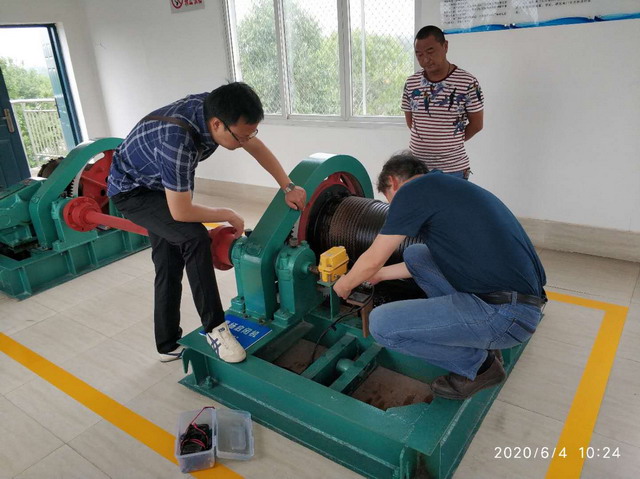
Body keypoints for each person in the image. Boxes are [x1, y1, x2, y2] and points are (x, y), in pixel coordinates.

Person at [107, 82, 306, 363]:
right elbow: (181, 212)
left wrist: (288, 186)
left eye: (251, 132)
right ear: (217, 125)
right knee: (194, 237)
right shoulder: (177, 142)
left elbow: (253, 144)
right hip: (132, 191)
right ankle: (215, 328)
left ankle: (167, 344)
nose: (246, 141)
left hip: (158, 183)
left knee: (168, 261)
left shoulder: (215, 108)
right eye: (241, 136)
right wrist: (228, 213)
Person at [333, 152, 546, 400]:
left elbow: (372, 259)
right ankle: (479, 339)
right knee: (416, 254)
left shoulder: (410, 192)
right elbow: (384, 266)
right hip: (520, 304)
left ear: (393, 182)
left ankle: (481, 367)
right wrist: (380, 275)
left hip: (504, 317)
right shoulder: (446, 186)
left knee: (381, 325)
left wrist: (345, 284)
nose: (393, 209)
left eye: (390, 200)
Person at [403, 25, 484, 179]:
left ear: (445, 46)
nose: (425, 60)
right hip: (417, 168)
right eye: (419, 55)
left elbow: (477, 124)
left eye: (430, 52)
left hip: (453, 169)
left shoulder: (467, 82)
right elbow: (411, 121)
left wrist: (451, 142)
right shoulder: (412, 83)